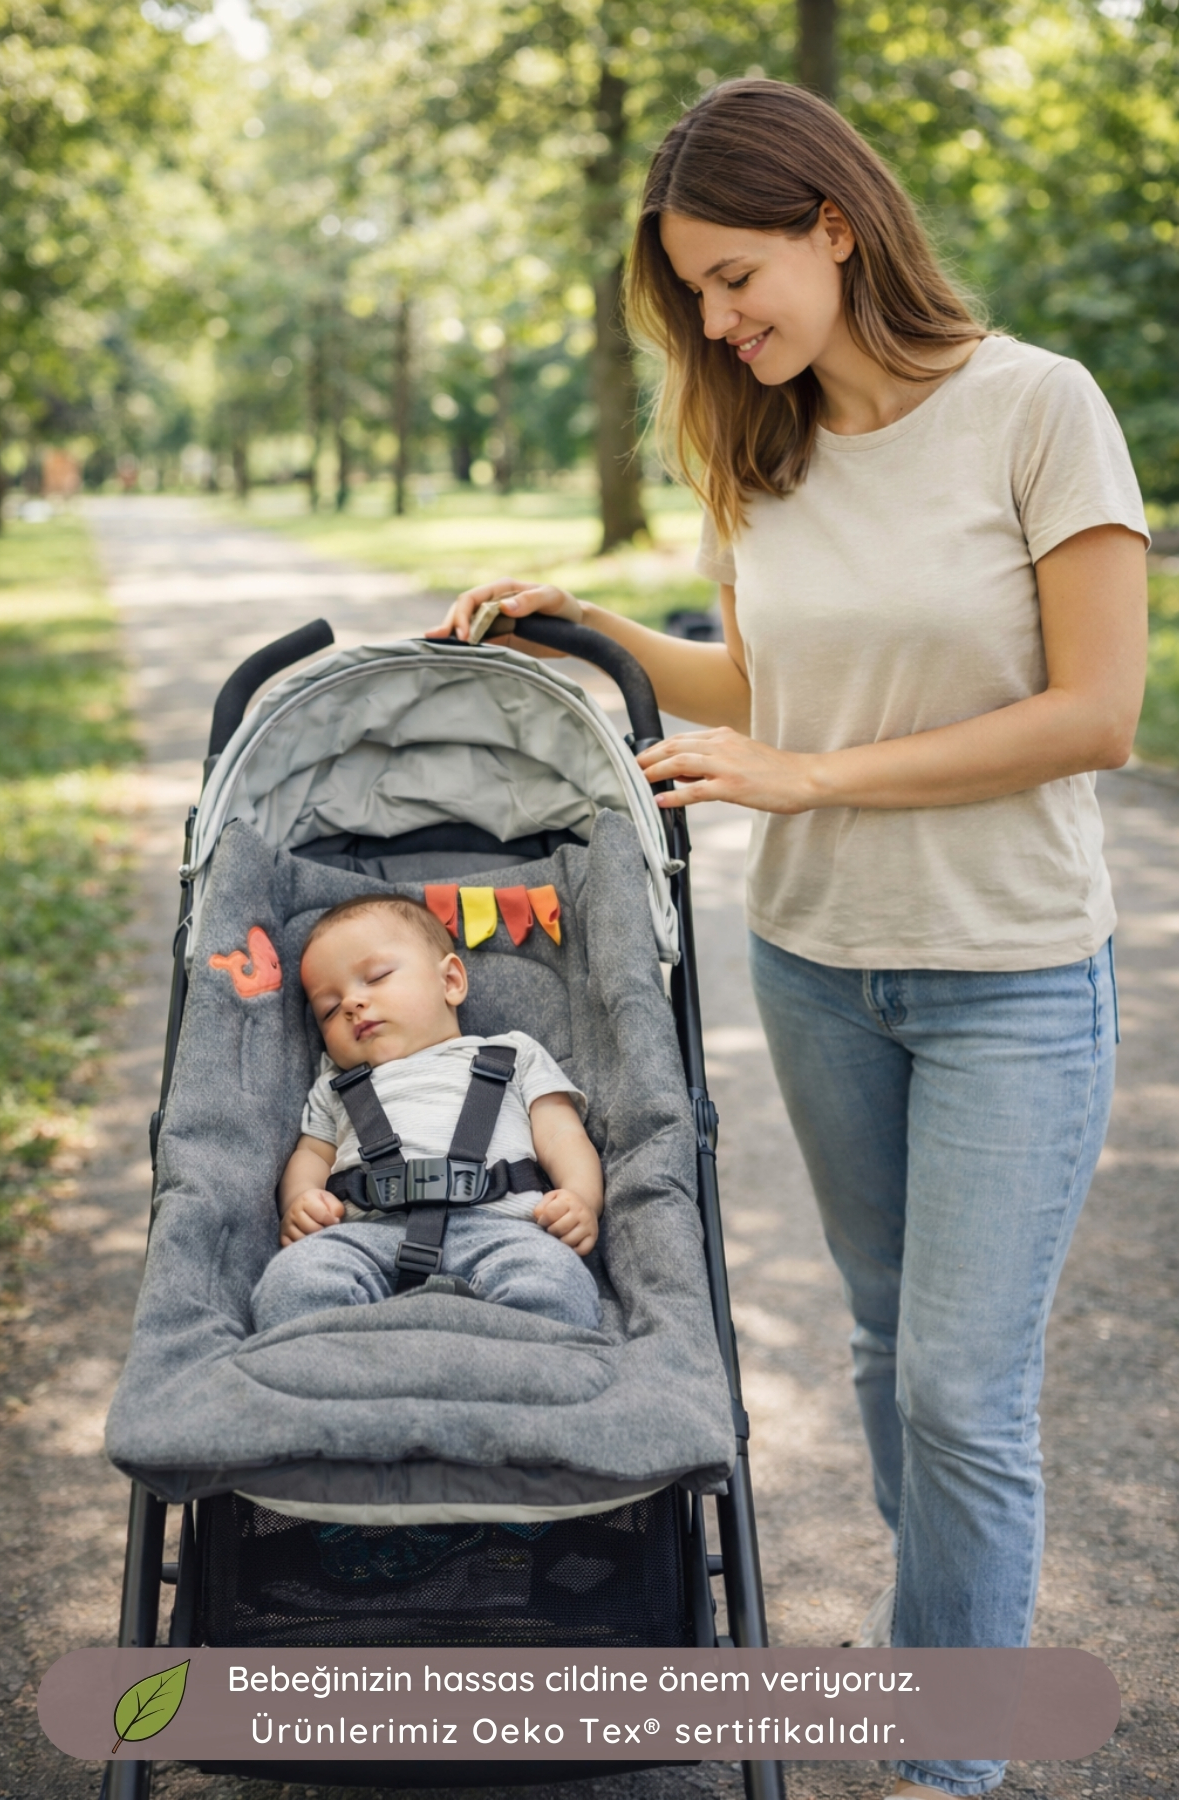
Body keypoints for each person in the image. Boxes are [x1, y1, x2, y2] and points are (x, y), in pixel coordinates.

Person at [431, 79, 1149, 1800]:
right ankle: (938, 1658)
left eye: (736, 274)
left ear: (837, 225)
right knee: (893, 1354)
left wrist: (805, 777)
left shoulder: (1035, 410)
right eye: (691, 293)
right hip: (820, 966)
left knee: (965, 1394)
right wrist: (590, 628)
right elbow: (764, 688)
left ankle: (951, 1750)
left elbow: (1099, 713)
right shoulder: (757, 448)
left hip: (1013, 975)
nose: (718, 317)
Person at [250, 894, 603, 1335]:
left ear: (451, 981)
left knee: (555, 1284)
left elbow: (562, 1137)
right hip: (367, 1235)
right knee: (292, 1283)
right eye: (328, 1008)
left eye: (376, 977)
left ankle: (509, 1375)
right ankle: (345, 1376)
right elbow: (312, 1156)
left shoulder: (512, 1054)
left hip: (501, 1229)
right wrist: (300, 1201)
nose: (351, 1004)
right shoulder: (336, 1086)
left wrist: (581, 1199)